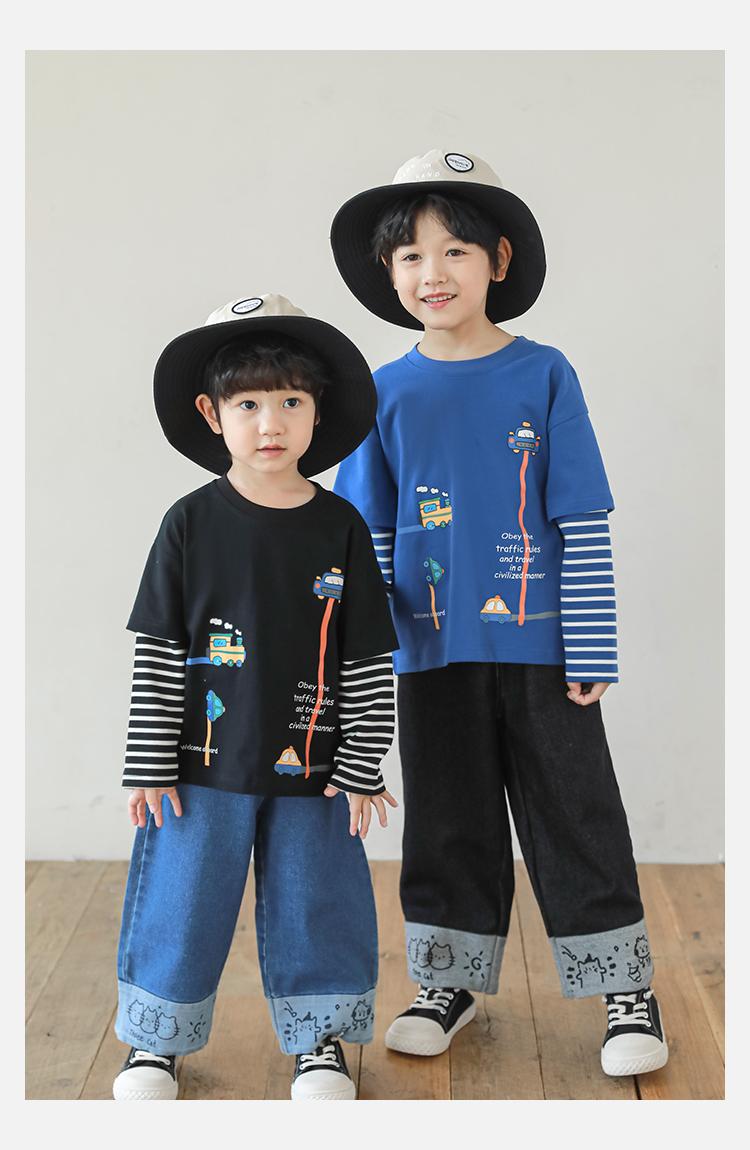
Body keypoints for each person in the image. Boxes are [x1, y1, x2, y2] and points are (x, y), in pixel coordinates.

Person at [330, 150, 668, 1078]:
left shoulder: (544, 373)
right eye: (410, 256)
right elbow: (369, 536)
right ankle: (449, 981)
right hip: (429, 648)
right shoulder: (382, 391)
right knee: (448, 816)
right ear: (388, 273)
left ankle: (624, 988)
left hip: (543, 646)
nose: (432, 273)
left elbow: (582, 514)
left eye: (455, 251)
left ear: (498, 261)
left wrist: (591, 641)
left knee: (576, 810)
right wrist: (373, 655)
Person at [112, 293, 399, 1101]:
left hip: (316, 769)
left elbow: (367, 658)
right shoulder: (189, 522)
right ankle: (155, 1042)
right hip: (199, 769)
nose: (270, 423)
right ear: (213, 414)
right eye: (248, 405)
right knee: (181, 902)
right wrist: (149, 762)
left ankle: (320, 1042)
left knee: (318, 902)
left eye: (290, 403)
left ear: (317, 412)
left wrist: (362, 763)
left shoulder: (342, 526)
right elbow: (159, 652)